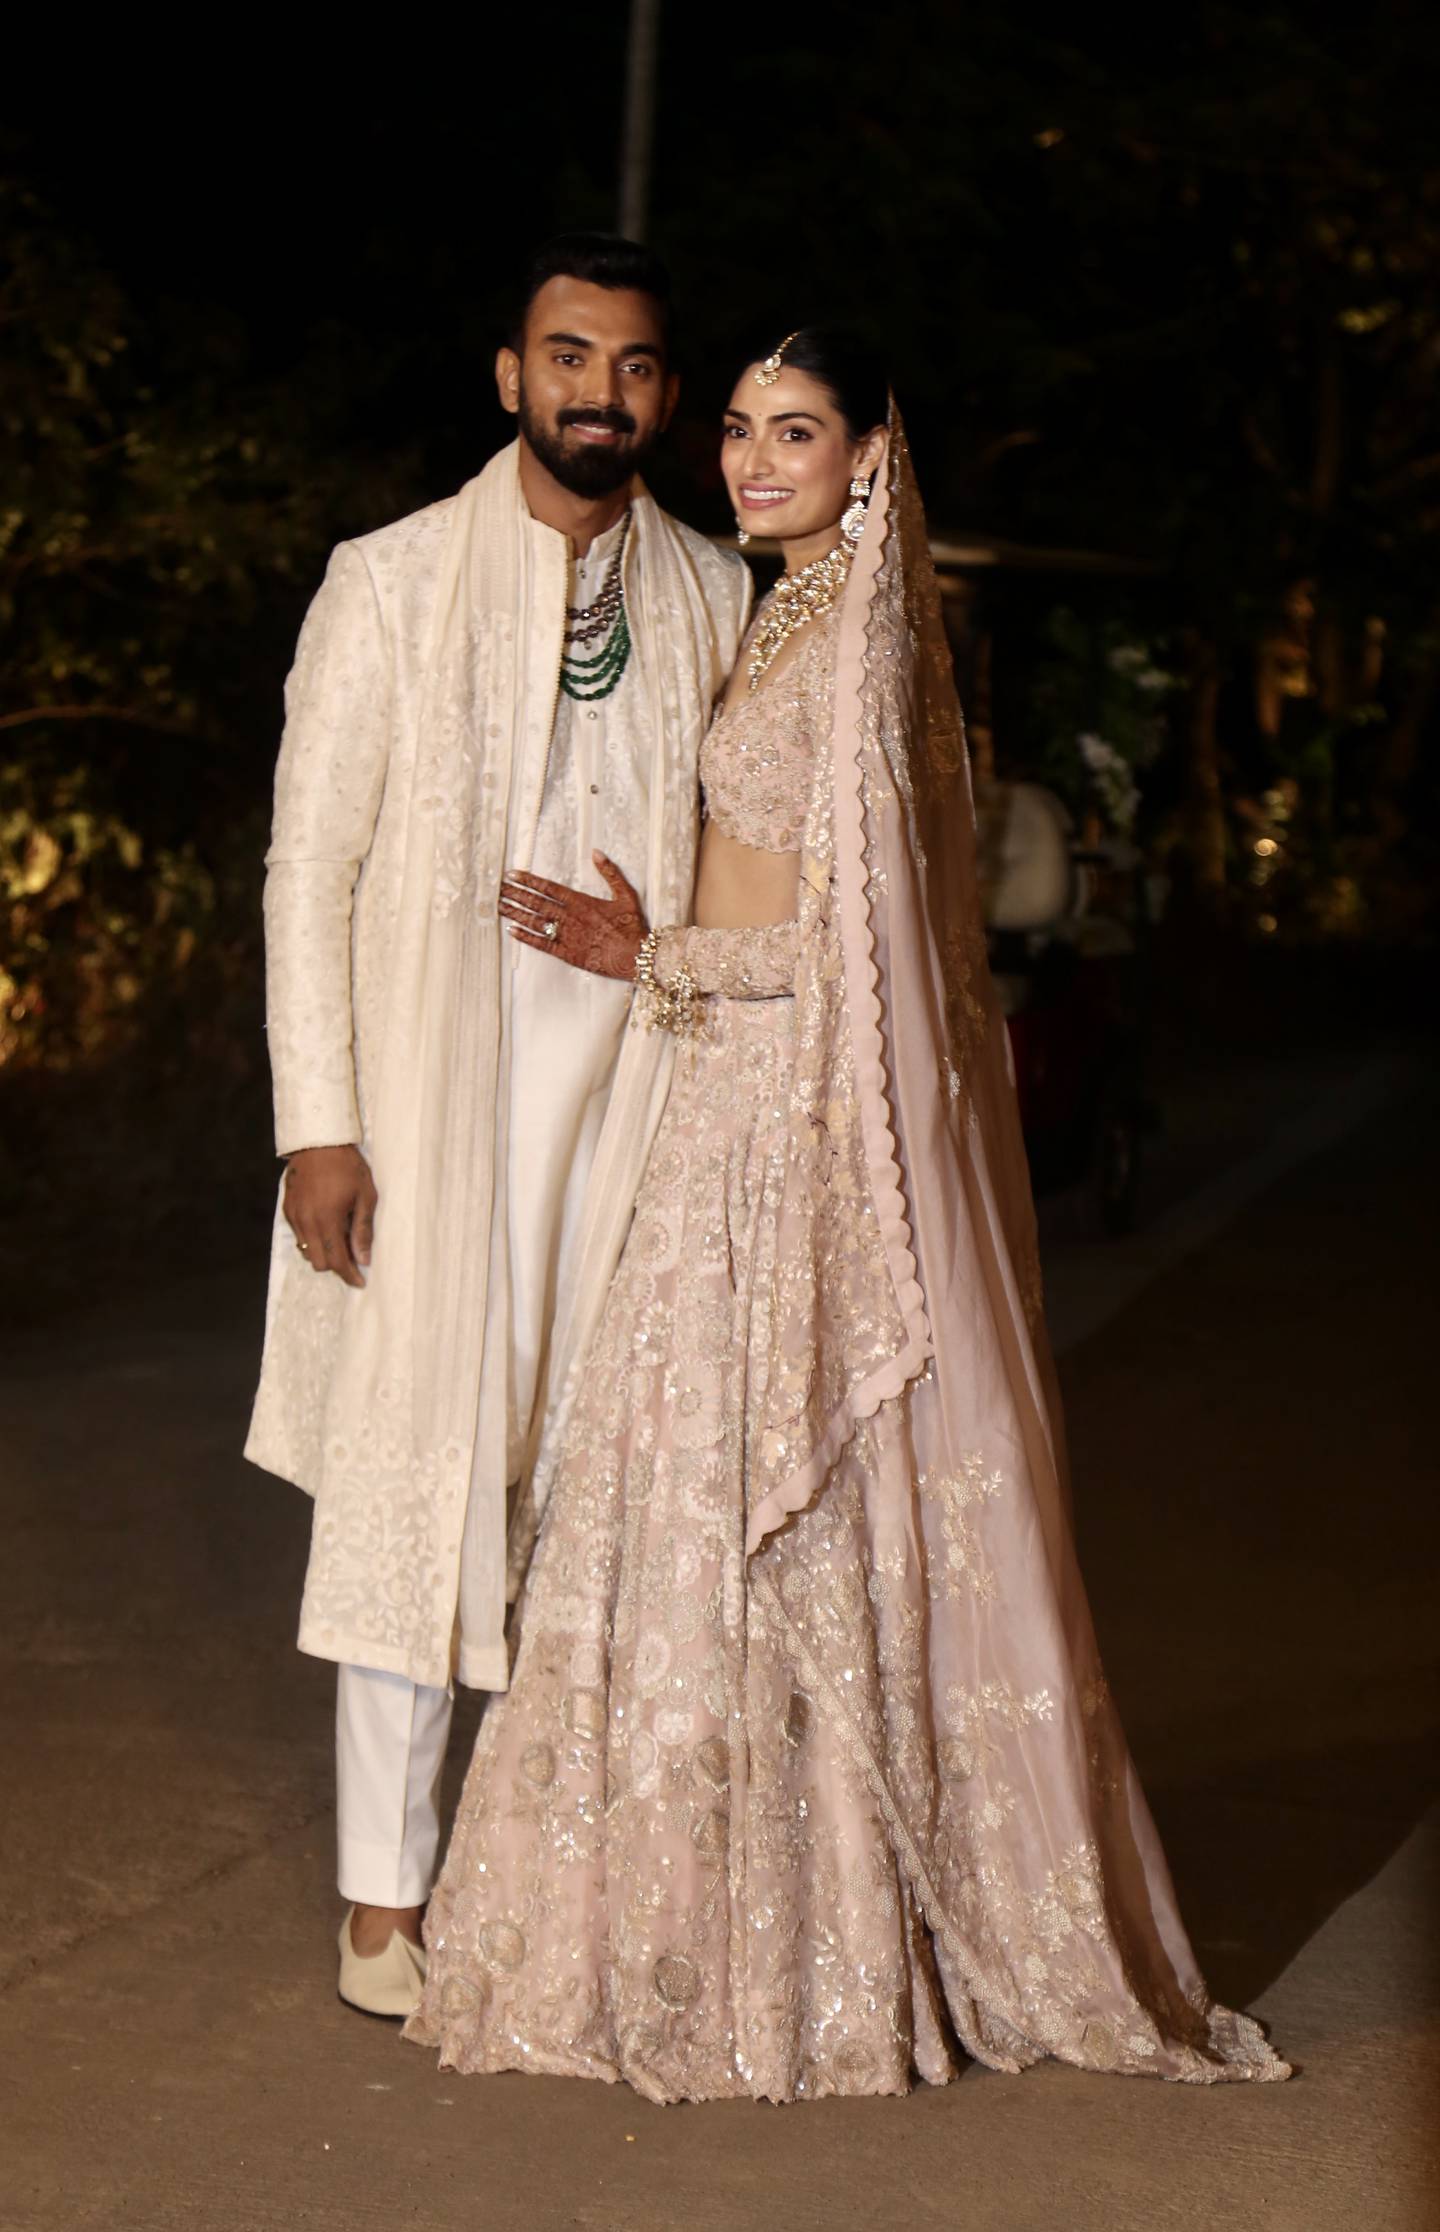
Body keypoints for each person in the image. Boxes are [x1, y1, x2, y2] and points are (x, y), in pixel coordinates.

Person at [404, 328, 1291, 2101]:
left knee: (761, 1502)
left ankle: (802, 1945)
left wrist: (649, 946)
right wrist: (668, 933)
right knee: (670, 1490)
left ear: (871, 452)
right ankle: (681, 1922)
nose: (748, 459)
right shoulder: (792, 613)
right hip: (727, 1096)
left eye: (791, 432)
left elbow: (853, 953)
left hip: (786, 1122)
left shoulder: (866, 640)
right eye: (735, 429)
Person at [243, 234, 752, 2019]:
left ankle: (552, 1873)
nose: (595, 392)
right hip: (434, 1117)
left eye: (628, 366)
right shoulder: (385, 583)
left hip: (640, 1116)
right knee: (417, 1487)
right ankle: (384, 1902)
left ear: (663, 397)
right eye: (565, 357)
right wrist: (323, 1122)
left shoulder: (712, 592)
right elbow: (311, 865)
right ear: (507, 376)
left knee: (591, 1501)